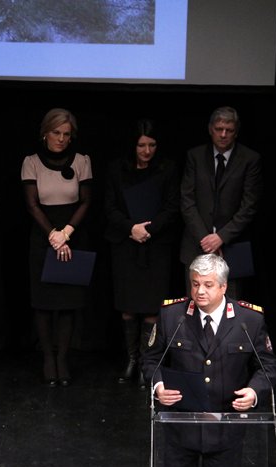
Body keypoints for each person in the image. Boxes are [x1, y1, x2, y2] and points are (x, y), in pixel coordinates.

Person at [141, 253, 276, 467]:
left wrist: (254, 392)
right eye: (195, 284)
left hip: (226, 430)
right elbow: (151, 359)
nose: (200, 292)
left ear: (224, 287)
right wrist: (158, 387)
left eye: (207, 285)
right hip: (180, 429)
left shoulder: (249, 320)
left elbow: (269, 366)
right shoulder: (172, 314)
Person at [104, 118, 180, 388]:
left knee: (151, 308)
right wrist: (130, 229)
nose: (147, 151)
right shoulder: (117, 169)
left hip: (156, 245)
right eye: (141, 145)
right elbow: (109, 207)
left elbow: (172, 206)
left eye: (152, 145)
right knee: (127, 307)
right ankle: (131, 359)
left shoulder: (167, 169)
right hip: (126, 245)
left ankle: (148, 363)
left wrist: (149, 229)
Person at [22, 108, 92, 386]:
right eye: (56, 133)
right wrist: (52, 234)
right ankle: (48, 359)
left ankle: (62, 359)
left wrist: (66, 233)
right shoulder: (31, 162)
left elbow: (86, 201)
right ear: (45, 134)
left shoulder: (82, 161)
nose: (61, 139)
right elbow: (31, 204)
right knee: (43, 302)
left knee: (67, 303)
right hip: (43, 235)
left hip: (72, 234)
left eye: (66, 134)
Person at [179, 107, 262, 299]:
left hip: (232, 245)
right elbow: (187, 200)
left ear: (236, 131)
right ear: (210, 129)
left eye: (229, 130)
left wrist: (221, 237)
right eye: (219, 129)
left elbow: (249, 205)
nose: (223, 134)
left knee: (229, 308)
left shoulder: (250, 159)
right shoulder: (195, 156)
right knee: (197, 304)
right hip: (196, 244)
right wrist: (206, 239)